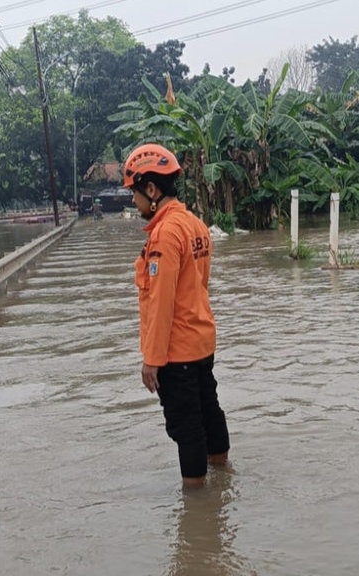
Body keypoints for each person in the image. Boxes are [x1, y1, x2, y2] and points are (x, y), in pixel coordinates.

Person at [123, 143, 230, 489]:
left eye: (134, 193)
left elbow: (161, 302)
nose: (133, 201)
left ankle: (197, 507)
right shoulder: (195, 225)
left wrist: (151, 360)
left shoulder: (165, 235)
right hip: (201, 342)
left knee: (188, 428)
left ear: (152, 190)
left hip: (177, 351)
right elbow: (199, 284)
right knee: (209, 412)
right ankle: (223, 478)